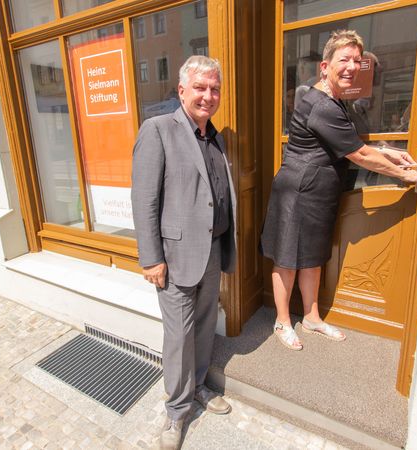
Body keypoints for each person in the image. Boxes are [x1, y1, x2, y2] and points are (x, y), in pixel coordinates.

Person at [260, 30, 417, 350]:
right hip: (298, 193)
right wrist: (405, 174)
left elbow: (352, 143)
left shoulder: (336, 101)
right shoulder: (321, 104)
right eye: (343, 60)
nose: (351, 67)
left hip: (317, 193)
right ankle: (281, 320)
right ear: (325, 66)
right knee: (288, 259)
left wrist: (389, 152)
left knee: (313, 257)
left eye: (356, 61)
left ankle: (312, 318)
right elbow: (358, 155)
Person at [131, 55, 237, 449]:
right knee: (178, 336)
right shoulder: (158, 129)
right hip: (173, 259)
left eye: (214, 89)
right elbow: (144, 200)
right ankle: (176, 410)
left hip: (211, 250)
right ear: (181, 91)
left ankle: (199, 388)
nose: (208, 95)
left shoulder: (215, 136)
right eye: (200, 88)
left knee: (206, 324)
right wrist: (151, 258)